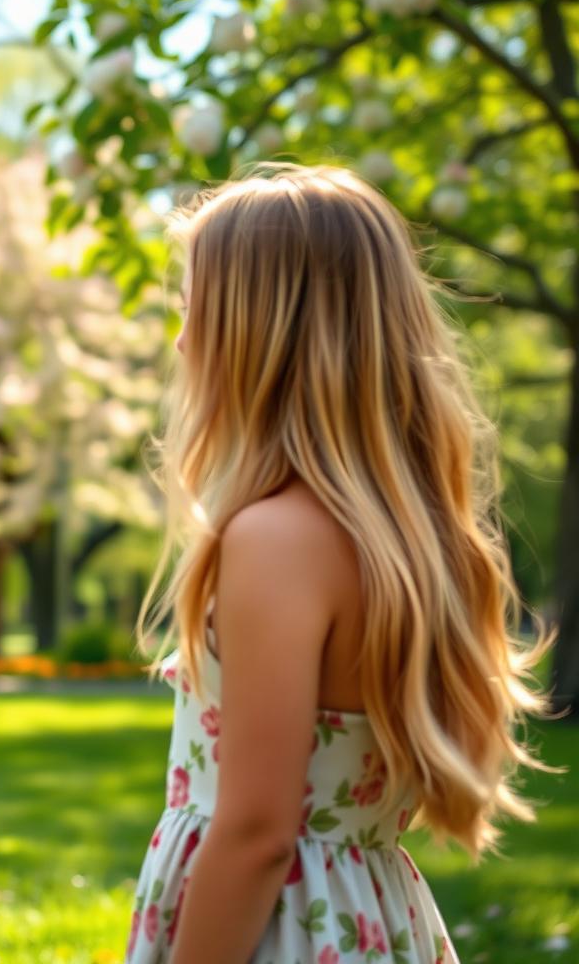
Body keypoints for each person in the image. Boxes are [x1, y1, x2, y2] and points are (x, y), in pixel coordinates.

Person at [125, 164, 550, 964]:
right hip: (368, 916)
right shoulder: (403, 536)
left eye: (195, 308)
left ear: (265, 329)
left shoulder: (274, 540)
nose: (181, 338)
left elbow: (255, 832)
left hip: (282, 928)